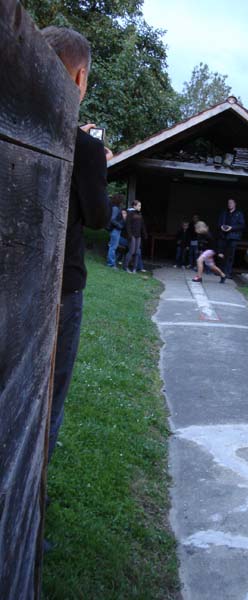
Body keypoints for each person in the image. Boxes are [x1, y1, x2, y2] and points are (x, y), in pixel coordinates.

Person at [41, 26, 112, 463]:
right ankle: (31, 498)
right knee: (49, 398)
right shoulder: (84, 149)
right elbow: (100, 218)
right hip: (61, 287)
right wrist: (95, 159)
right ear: (80, 77)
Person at [217, 198, 245, 277]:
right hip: (223, 236)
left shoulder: (239, 214)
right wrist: (221, 227)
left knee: (230, 256)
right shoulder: (224, 213)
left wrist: (231, 228)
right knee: (221, 254)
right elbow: (219, 223)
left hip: (233, 237)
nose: (230, 204)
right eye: (229, 203)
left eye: (231, 203)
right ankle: (220, 272)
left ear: (235, 204)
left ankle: (227, 273)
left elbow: (242, 225)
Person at [123, 200, 147, 273]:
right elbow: (127, 225)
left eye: (140, 206)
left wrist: (145, 234)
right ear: (134, 206)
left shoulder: (140, 214)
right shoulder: (130, 213)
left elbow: (142, 225)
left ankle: (134, 269)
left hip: (138, 236)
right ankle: (125, 267)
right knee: (131, 251)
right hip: (132, 235)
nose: (140, 207)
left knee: (137, 252)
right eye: (139, 205)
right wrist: (129, 235)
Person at [106, 194, 126, 268]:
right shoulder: (115, 208)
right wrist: (119, 225)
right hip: (115, 230)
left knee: (113, 247)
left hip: (116, 230)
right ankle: (111, 264)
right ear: (119, 201)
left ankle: (112, 263)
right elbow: (112, 219)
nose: (123, 202)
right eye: (122, 200)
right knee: (113, 247)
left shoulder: (116, 208)